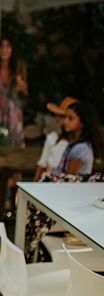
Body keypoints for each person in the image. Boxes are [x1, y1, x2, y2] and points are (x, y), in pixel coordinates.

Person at [25, 100, 104, 262]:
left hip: (69, 199)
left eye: (70, 118)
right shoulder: (75, 145)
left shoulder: (80, 150)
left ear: (82, 123)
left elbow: (68, 180)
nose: (65, 122)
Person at [33, 96, 76, 180]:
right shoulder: (52, 137)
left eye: (64, 117)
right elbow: (42, 163)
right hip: (49, 180)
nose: (59, 119)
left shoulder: (79, 145)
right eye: (59, 116)